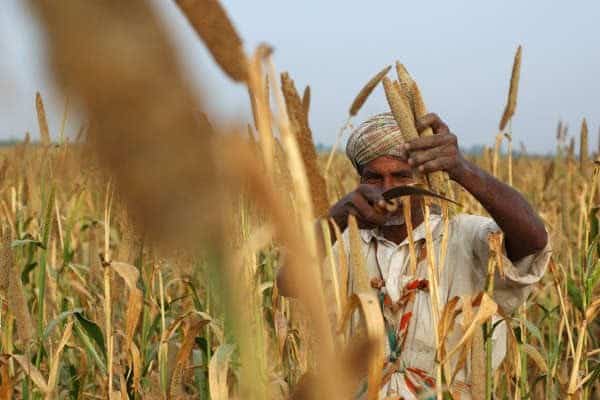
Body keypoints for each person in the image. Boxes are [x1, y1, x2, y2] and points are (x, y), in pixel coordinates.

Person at [311, 112, 550, 399]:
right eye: (374, 178)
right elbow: (288, 280)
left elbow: (533, 240)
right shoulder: (347, 243)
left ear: (424, 178)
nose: (390, 190)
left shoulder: (463, 235)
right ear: (359, 182)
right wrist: (335, 218)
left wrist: (461, 169)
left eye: (402, 176)